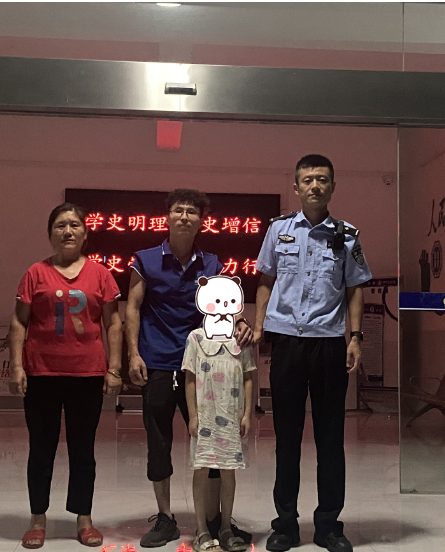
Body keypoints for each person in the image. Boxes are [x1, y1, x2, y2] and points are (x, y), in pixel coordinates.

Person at [253, 155, 371, 552]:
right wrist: (260, 325)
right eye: (307, 180)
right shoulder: (279, 230)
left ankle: (328, 526)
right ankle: (285, 525)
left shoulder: (347, 235)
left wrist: (355, 337)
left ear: (333, 186)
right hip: (287, 341)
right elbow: (266, 280)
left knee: (330, 438)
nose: (315, 186)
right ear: (297, 187)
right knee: (286, 438)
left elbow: (354, 288)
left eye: (322, 179)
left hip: (328, 342)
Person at [126, 189, 253, 548]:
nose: (184, 216)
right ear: (167, 217)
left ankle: (213, 520)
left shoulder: (211, 264)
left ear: (201, 221)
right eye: (178, 210)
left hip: (204, 366)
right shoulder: (145, 260)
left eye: (192, 212)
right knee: (159, 441)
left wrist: (242, 321)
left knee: (210, 443)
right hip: (157, 360)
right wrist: (133, 354)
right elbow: (132, 307)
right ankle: (165, 517)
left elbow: (225, 304)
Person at [8, 202, 123, 549]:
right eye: (60, 225)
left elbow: (113, 323)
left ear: (85, 234)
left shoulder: (101, 274)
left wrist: (114, 368)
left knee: (83, 449)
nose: (67, 231)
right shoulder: (35, 273)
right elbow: (19, 322)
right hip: (41, 372)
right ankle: (37, 518)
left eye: (74, 225)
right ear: (50, 234)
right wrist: (16, 366)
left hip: (87, 374)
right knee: (40, 449)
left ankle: (84, 518)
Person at [183, 323, 256, 552]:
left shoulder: (240, 339)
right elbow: (190, 378)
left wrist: (247, 414)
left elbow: (248, 377)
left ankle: (225, 528)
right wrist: (193, 415)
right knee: (201, 468)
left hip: (231, 416)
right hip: (205, 417)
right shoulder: (196, 338)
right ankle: (202, 530)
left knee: (228, 470)